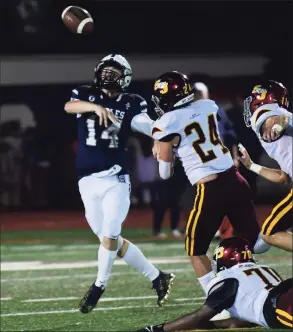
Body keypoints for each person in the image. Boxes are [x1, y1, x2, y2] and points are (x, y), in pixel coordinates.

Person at [64, 54, 175, 314]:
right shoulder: (85, 95)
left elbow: (147, 125)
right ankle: (158, 277)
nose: (108, 76)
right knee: (107, 239)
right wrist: (95, 107)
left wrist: (158, 137)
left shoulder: (132, 102)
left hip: (116, 177)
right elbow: (69, 107)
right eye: (105, 70)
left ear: (125, 77)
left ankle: (98, 286)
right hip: (87, 179)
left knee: (111, 235)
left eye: (114, 72)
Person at [151, 71, 269, 309]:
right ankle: (255, 288)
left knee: (195, 249)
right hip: (236, 181)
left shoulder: (166, 123)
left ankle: (218, 304)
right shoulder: (207, 105)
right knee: (251, 242)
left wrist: (163, 149)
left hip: (210, 187)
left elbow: (165, 173)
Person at [136, 236, 292, 331]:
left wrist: (158, 329)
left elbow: (199, 316)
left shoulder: (230, 277)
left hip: (277, 305)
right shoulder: (264, 269)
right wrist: (211, 325)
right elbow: (245, 321)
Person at [241, 80, 292, 252]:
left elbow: (280, 119)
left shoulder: (265, 112)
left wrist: (277, 126)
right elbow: (283, 178)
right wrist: (251, 166)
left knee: (269, 232)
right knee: (263, 238)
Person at [193, 81, 236, 239]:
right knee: (206, 198)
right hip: (200, 162)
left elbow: (230, 136)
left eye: (200, 93)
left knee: (224, 196)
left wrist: (235, 156)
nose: (198, 97)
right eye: (196, 93)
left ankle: (224, 229)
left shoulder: (217, 111)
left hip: (220, 159)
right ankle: (210, 228)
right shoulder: (187, 113)